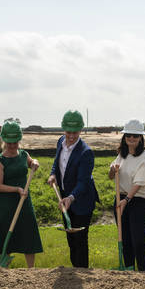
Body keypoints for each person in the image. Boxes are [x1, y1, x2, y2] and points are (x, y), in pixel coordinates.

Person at [49, 110, 99, 268]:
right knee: (71, 239)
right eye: (68, 131)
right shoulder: (60, 141)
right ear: (64, 129)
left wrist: (71, 198)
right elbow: (57, 162)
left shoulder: (86, 152)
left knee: (80, 240)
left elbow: (83, 182)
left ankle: (82, 272)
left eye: (75, 132)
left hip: (82, 199)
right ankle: (73, 274)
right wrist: (52, 175)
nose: (71, 136)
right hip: (65, 197)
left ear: (81, 130)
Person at [0, 121, 42, 268]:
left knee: (28, 232)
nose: (12, 146)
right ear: (4, 141)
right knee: (5, 234)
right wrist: (17, 189)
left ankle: (31, 269)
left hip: (24, 200)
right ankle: (2, 267)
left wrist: (35, 163)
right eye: (9, 143)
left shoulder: (24, 155)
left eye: (15, 142)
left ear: (19, 140)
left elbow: (32, 163)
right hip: (6, 204)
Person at [108, 119, 145, 271]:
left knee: (138, 240)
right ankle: (128, 270)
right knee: (125, 239)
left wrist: (127, 200)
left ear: (141, 138)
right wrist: (112, 169)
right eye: (128, 135)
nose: (131, 139)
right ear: (124, 137)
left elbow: (139, 182)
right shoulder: (122, 154)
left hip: (138, 201)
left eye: (135, 136)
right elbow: (111, 176)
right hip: (120, 198)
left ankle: (143, 272)